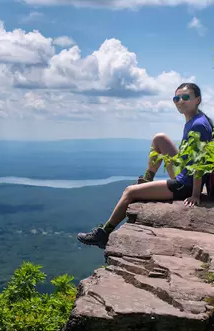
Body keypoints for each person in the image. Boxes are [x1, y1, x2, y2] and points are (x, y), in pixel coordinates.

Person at [77, 83, 213, 249]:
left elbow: (199, 162)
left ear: (197, 100)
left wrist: (195, 194)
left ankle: (104, 233)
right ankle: (147, 179)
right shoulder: (195, 120)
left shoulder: (198, 125)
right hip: (185, 173)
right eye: (176, 98)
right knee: (159, 139)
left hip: (185, 184)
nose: (180, 101)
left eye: (186, 97)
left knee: (130, 192)